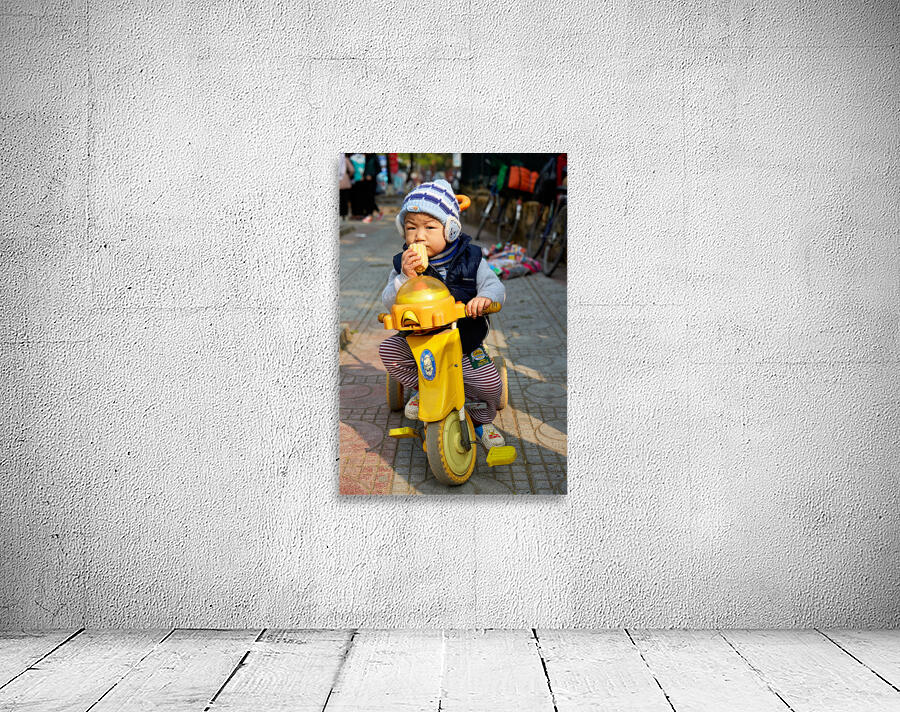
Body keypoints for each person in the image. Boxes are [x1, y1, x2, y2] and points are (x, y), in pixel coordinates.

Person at [378, 179, 507, 450]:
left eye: (429, 227)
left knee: (491, 386)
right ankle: (421, 389)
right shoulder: (403, 264)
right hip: (419, 342)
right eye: (411, 228)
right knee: (389, 350)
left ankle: (482, 420)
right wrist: (405, 277)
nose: (419, 236)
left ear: (450, 229)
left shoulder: (471, 259)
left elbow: (494, 286)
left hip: (464, 342)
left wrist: (485, 299)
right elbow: (389, 301)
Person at [361, 153, 383, 223]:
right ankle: (377, 212)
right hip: (364, 181)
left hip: (372, 181)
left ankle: (369, 215)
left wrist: (371, 175)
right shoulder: (364, 157)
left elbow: (379, 169)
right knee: (366, 198)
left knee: (370, 198)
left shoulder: (374, 157)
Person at [338, 153, 354, 221]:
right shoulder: (345, 160)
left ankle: (340, 215)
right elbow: (352, 170)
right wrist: (348, 176)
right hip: (345, 182)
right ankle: (346, 214)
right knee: (345, 199)